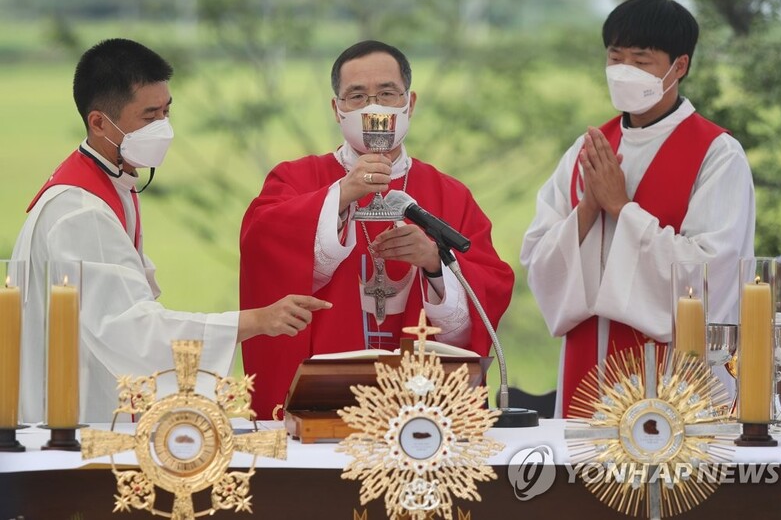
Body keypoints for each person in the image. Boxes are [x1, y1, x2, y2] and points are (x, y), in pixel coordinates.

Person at [12, 38, 331, 424]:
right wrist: (256, 321)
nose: (163, 128)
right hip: (75, 420)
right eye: (149, 117)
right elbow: (133, 331)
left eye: (166, 111)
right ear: (99, 123)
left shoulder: (112, 182)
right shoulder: (81, 212)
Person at [240, 40, 514, 417]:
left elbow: (490, 288)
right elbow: (263, 245)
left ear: (409, 103)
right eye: (357, 96)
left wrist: (434, 262)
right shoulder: (295, 179)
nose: (374, 108)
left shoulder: (450, 194)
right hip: (322, 401)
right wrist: (340, 195)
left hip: (422, 406)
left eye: (387, 93)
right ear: (337, 109)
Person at [520, 0, 755, 418]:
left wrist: (621, 208)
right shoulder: (586, 150)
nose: (624, 70)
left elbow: (710, 273)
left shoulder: (717, 154)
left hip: (673, 373)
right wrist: (588, 210)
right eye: (615, 57)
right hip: (587, 366)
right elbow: (538, 259)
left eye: (641, 60)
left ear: (679, 66)